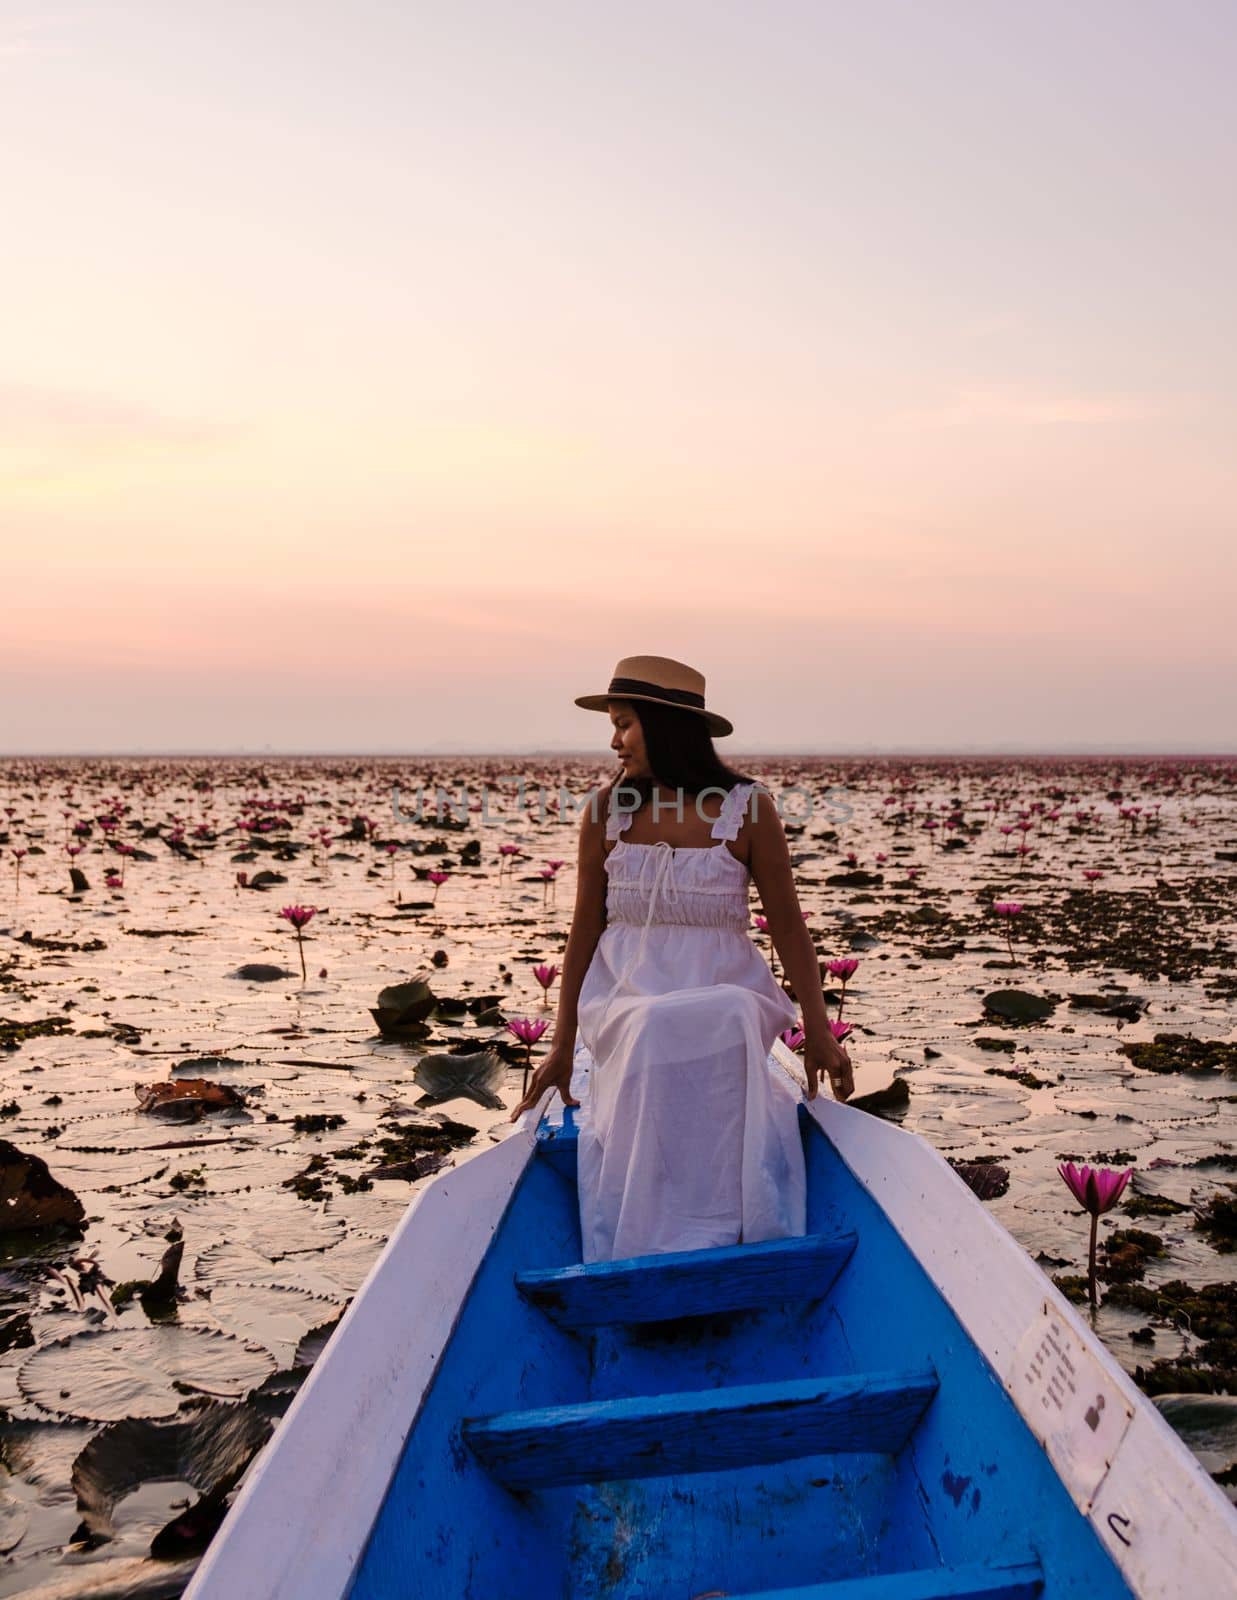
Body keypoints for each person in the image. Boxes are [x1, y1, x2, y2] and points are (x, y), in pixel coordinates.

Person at [510, 654, 854, 1263]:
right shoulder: (604, 813)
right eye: (613, 725)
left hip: (728, 992)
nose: (613, 741)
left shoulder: (749, 808)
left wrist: (819, 1030)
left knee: (719, 1015)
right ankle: (651, 1243)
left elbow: (789, 925)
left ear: (666, 728)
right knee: (650, 1027)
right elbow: (583, 930)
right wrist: (562, 1045)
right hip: (628, 998)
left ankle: (724, 1232)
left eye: (624, 724)